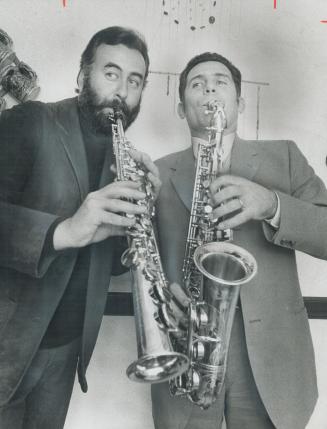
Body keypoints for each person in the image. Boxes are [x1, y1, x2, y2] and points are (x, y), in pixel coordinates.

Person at [151, 52, 327, 429]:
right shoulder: (156, 172)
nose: (210, 87)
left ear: (241, 102)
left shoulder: (287, 158)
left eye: (221, 81)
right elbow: (139, 259)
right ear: (182, 108)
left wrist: (272, 204)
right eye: (197, 84)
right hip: (188, 351)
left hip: (271, 363)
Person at [0, 26, 160, 429]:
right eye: (111, 73)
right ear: (81, 76)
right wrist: (65, 230)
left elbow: (113, 263)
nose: (122, 89)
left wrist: (140, 221)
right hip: (7, 342)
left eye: (134, 80)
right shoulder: (30, 120)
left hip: (67, 349)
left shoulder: (122, 159)